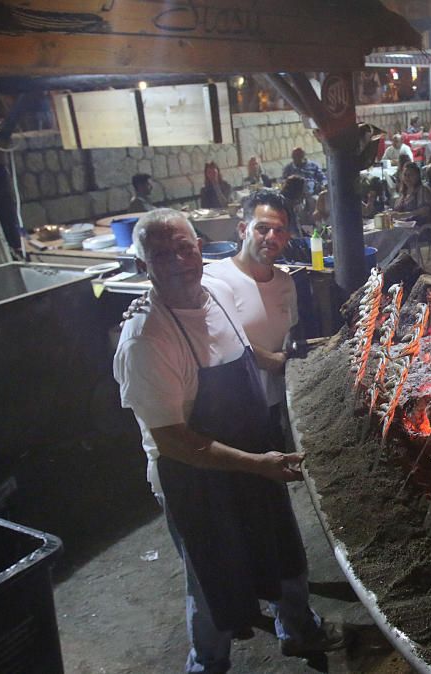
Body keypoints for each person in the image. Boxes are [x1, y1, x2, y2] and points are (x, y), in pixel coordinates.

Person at [113, 209, 343, 673]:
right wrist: (258, 464)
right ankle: (208, 663)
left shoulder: (215, 289)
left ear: (200, 247)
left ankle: (298, 630)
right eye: (160, 255)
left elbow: (241, 346)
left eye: (183, 247)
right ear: (143, 268)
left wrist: (287, 363)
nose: (177, 261)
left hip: (253, 454)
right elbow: (175, 441)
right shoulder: (147, 340)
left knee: (283, 549)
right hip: (196, 479)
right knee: (214, 579)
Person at [204, 191, 302, 413]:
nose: (271, 237)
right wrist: (272, 361)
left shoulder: (286, 283)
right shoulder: (214, 279)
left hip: (276, 403)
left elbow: (289, 333)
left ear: (287, 237)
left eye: (279, 231)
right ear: (242, 230)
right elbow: (217, 341)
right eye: (262, 228)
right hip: (231, 408)